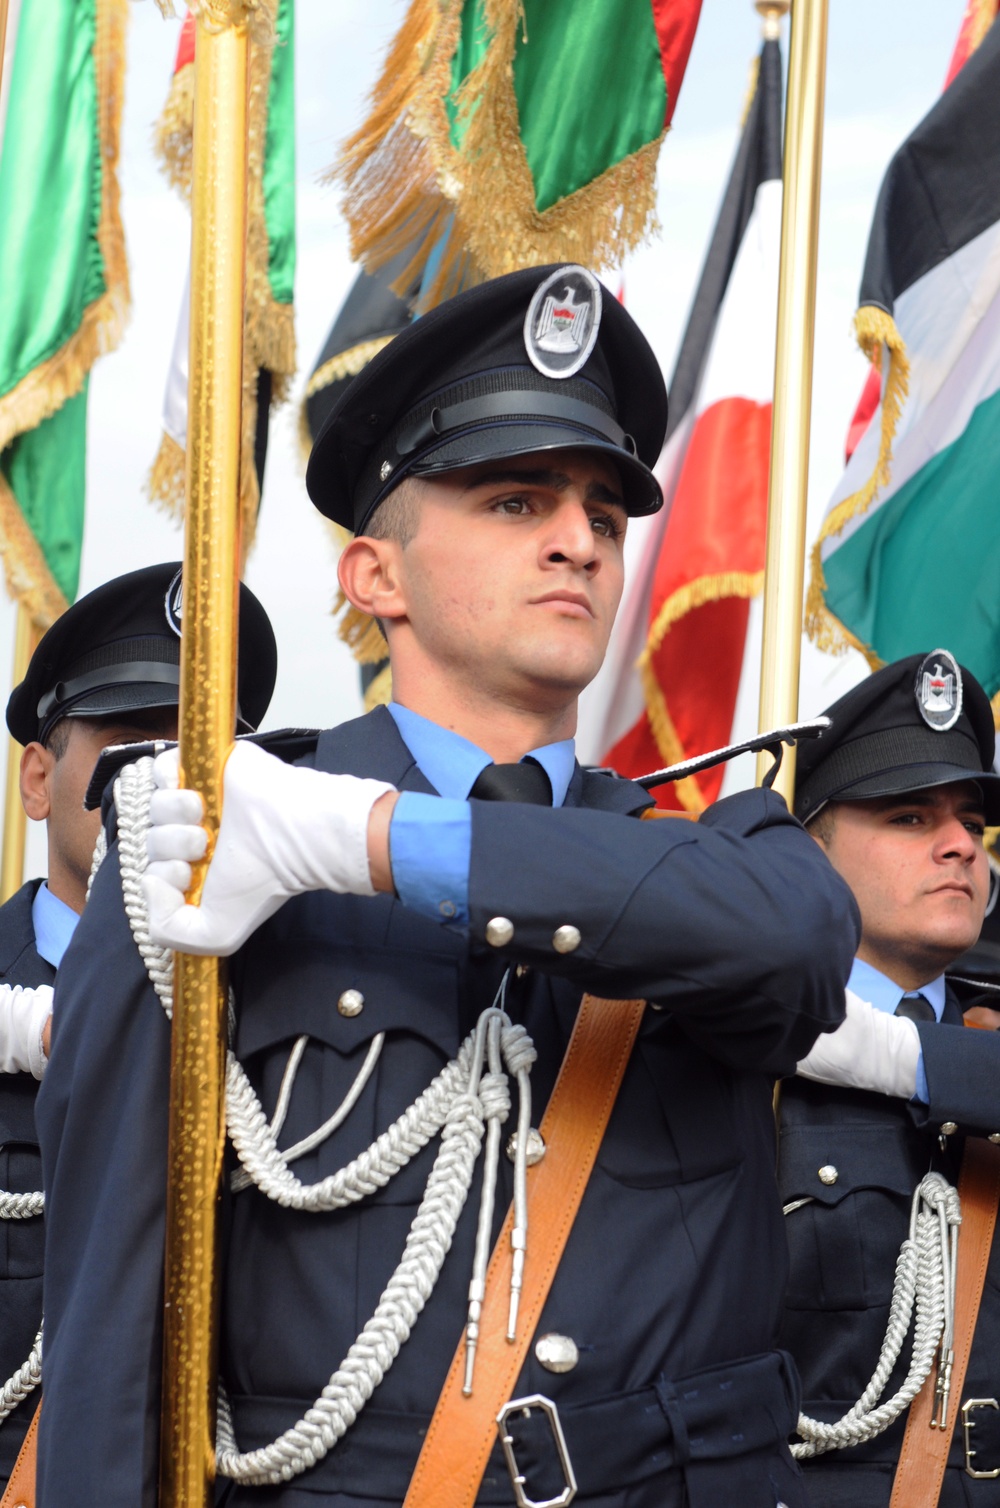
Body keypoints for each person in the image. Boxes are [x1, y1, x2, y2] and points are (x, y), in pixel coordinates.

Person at [37, 266, 858, 1508]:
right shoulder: (212, 843)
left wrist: (375, 841)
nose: (578, 536)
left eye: (602, 510)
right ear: (374, 576)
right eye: (515, 497)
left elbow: (798, 940)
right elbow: (109, 1310)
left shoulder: (718, 847)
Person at [0, 562, 277, 1488]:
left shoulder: (294, 1002)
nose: (168, 780)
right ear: (39, 779)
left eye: (199, 749)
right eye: (129, 746)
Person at [778, 651, 1000, 1506]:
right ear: (810, 852)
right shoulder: (738, 1055)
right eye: (910, 818)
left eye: (972, 825)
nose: (959, 846)